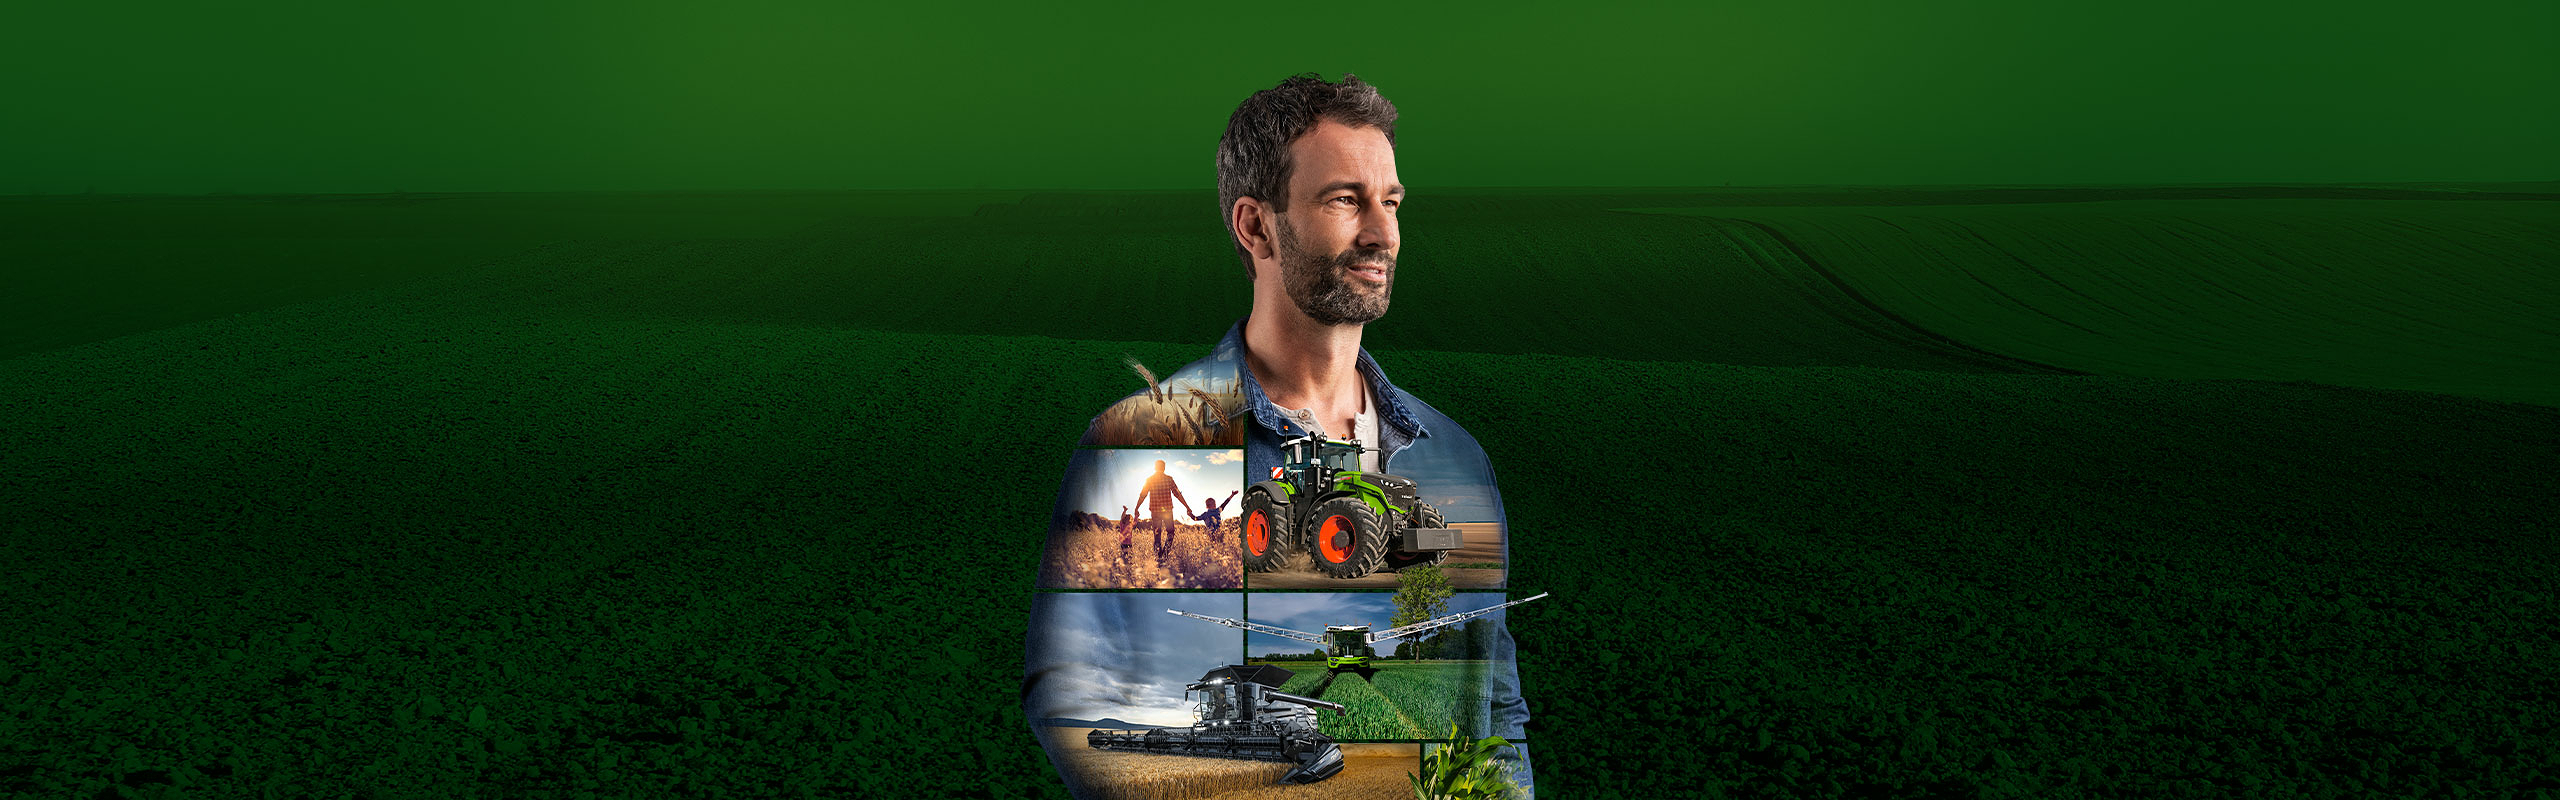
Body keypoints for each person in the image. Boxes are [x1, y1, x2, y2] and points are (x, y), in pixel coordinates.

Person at [1036, 73, 1534, 795]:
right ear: (1256, 225)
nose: (1382, 232)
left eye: (1390, 202)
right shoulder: (1158, 439)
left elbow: (1494, 709)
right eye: (1345, 199)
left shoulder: (1451, 456)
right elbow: (1073, 704)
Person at [1130, 459, 1191, 555]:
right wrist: (1187, 507)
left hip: (1155, 511)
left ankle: (1158, 558)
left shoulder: (1149, 480)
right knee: (1170, 533)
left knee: (1157, 535)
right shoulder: (1169, 479)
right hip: (1167, 511)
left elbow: (1143, 495)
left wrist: (1137, 508)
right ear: (1164, 468)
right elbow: (1178, 494)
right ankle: (1165, 555)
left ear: (1155, 468)